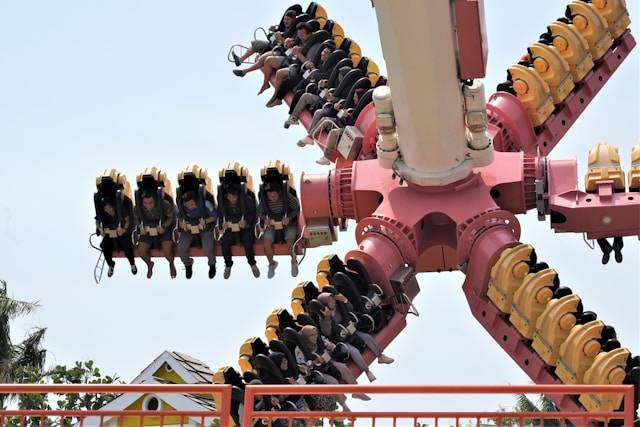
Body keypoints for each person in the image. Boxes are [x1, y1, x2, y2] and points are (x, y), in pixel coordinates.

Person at [317, 292, 394, 381]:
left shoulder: (339, 306)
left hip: (351, 331)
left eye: (332, 299)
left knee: (367, 337)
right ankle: (367, 371)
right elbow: (327, 332)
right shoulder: (322, 318)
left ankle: (380, 356)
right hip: (341, 340)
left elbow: (351, 309)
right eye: (329, 301)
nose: (332, 302)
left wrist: (344, 300)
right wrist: (327, 318)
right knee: (355, 352)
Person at [232, 10, 298, 75]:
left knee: (263, 57)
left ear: (293, 20)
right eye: (284, 19)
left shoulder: (296, 30)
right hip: (273, 44)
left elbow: (291, 48)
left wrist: (281, 39)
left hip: (281, 50)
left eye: (288, 20)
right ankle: (240, 60)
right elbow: (277, 35)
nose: (285, 21)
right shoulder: (285, 27)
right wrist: (274, 31)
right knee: (256, 44)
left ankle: (244, 72)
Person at [257, 181, 300, 279]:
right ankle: (272, 264)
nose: (273, 198)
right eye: (270, 196)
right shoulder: (264, 200)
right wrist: (265, 219)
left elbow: (296, 208)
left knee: (290, 242)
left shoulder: (287, 197)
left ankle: (294, 261)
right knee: (267, 243)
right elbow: (259, 212)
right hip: (272, 223)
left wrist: (289, 218)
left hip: (287, 223)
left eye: (275, 196)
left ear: (279, 193)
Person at [218, 184, 260, 279]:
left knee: (247, 241)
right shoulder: (223, 203)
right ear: (227, 196)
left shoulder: (246, 200)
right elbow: (220, 216)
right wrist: (222, 224)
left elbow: (253, 213)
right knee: (225, 242)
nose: (234, 199)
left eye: (235, 196)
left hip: (245, 227)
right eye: (231, 197)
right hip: (230, 227)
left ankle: (252, 263)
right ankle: (228, 265)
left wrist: (247, 222)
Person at [135, 192, 177, 279]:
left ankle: (171, 263)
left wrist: (164, 226)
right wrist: (140, 227)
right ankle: (149, 264)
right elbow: (135, 218)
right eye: (145, 203)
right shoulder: (138, 207)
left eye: (150, 203)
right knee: (141, 251)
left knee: (167, 251)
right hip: (147, 230)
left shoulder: (165, 205)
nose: (148, 205)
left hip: (162, 229)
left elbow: (171, 217)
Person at [176, 191, 217, 279]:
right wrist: (181, 223)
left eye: (192, 205)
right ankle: (188, 264)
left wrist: (206, 221)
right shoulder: (182, 205)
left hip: (204, 228)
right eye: (187, 205)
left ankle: (212, 264)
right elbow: (179, 216)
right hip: (189, 228)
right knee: (181, 248)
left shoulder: (206, 204)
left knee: (208, 248)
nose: (189, 207)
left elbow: (214, 216)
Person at [96, 196, 137, 277]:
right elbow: (97, 221)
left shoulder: (120, 211)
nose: (108, 210)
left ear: (113, 206)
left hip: (120, 233)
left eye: (110, 208)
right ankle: (111, 265)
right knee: (104, 245)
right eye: (106, 209)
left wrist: (124, 229)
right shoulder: (103, 214)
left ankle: (132, 264)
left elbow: (128, 219)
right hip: (109, 234)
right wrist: (100, 230)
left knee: (126, 245)